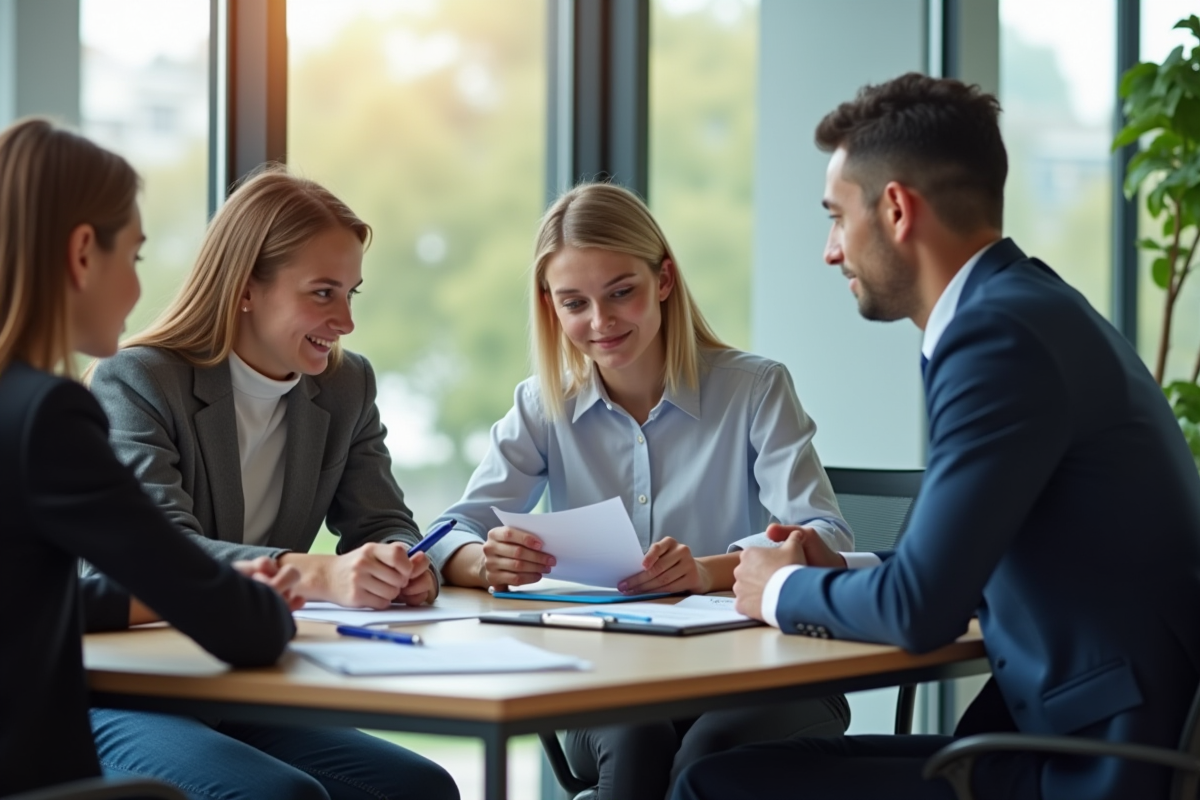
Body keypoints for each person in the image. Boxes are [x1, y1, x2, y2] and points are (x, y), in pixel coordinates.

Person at [671, 73, 1200, 800]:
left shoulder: (995, 337)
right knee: (720, 774)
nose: (830, 251)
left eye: (836, 217)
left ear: (894, 209)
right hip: (1071, 731)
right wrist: (843, 569)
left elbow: (921, 610)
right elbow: (963, 570)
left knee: (716, 789)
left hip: (1088, 766)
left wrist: (778, 586)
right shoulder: (1030, 306)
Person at [426, 182, 853, 800]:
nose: (600, 322)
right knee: (636, 741)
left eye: (621, 292)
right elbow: (445, 533)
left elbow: (827, 535)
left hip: (761, 673)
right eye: (575, 302)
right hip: (606, 677)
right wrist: (483, 559)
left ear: (664, 281)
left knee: (707, 755)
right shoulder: (543, 406)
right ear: (551, 307)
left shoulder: (755, 390)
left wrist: (705, 572)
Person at [85, 168, 459, 800]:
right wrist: (318, 574)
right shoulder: (139, 381)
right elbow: (161, 555)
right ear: (246, 289)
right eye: (322, 294)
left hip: (242, 683)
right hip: (127, 692)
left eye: (351, 294)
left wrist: (405, 562)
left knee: (421, 787)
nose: (345, 321)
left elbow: (380, 522)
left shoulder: (345, 387)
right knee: (280, 797)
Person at [0, 118, 300, 796]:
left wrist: (135, 601)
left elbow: (27, 594)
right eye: (133, 258)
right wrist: (270, 602)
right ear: (82, 252)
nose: (138, 290)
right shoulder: (45, 414)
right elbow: (238, 630)